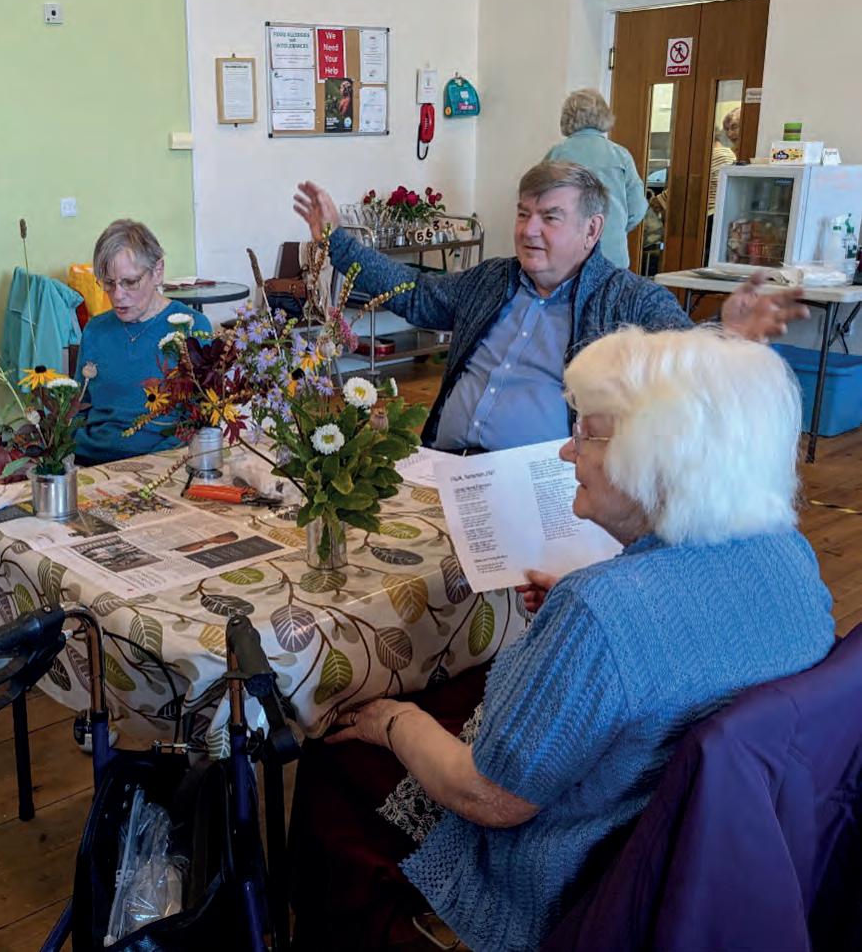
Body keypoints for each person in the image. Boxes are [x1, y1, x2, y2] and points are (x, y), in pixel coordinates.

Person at [290, 326, 837, 951]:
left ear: (657, 458)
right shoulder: (788, 556)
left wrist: (392, 720)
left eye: (587, 433)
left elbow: (490, 797)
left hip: (578, 881)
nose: (566, 451)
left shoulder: (602, 610)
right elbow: (687, 644)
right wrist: (585, 628)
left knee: (337, 759)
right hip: (726, 856)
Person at [292, 161, 809, 454]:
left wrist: (724, 333)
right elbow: (416, 293)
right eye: (523, 214)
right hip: (445, 466)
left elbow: (679, 361)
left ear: (592, 230)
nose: (529, 230)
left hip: (543, 489)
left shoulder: (626, 299)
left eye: (549, 217)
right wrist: (337, 241)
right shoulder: (493, 279)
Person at [73, 219, 210, 465]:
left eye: (130, 282)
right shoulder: (95, 330)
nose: (117, 295)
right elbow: (79, 407)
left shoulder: (192, 327)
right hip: (90, 461)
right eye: (109, 283)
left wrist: (154, 463)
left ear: (157, 271)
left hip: (160, 463)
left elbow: (201, 419)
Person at [544, 88, 647, 269]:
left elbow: (541, 204)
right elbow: (638, 208)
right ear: (604, 116)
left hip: (566, 252)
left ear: (567, 118)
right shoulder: (621, 155)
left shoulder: (556, 155)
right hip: (612, 253)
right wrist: (615, 227)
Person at [705, 107, 742, 262]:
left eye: (734, 127)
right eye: (727, 129)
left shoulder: (725, 154)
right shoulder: (732, 152)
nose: (730, 133)